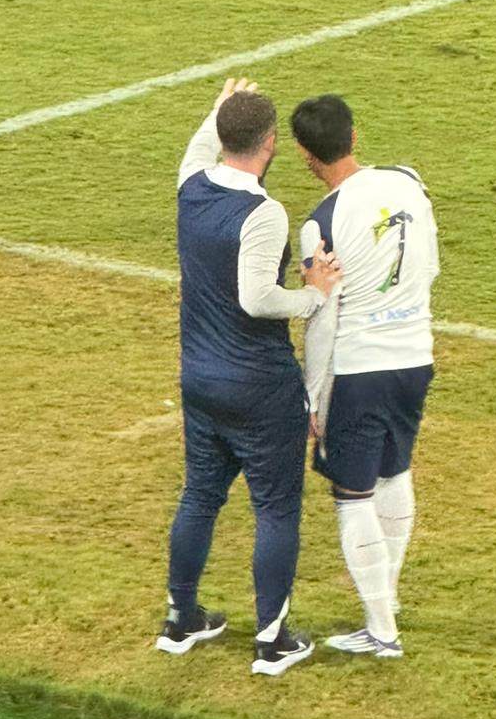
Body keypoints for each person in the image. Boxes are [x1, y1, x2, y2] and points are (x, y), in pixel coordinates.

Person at [159, 78, 342, 677]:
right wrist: (312, 296)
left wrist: (218, 108)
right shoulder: (263, 213)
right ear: (268, 145)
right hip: (258, 386)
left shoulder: (191, 185)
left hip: (200, 379)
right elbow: (257, 298)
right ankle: (271, 640)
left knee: (200, 495)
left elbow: (197, 146)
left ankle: (181, 619)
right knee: (276, 509)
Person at [292, 93, 439, 660]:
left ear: (306, 156)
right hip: (415, 354)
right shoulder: (408, 180)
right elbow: (430, 262)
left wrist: (312, 397)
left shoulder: (319, 225)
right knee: (395, 471)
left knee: (353, 495)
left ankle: (381, 632)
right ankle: (388, 599)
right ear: (354, 137)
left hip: (359, 367)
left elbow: (322, 319)